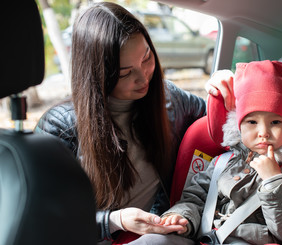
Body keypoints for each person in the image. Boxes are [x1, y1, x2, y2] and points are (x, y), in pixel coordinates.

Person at [34, 2, 233, 243]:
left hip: (159, 231)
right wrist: (115, 220)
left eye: (147, 57)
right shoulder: (60, 127)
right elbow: (48, 219)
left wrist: (221, 88)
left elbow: (223, 126)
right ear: (98, 74)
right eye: (125, 73)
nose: (143, 77)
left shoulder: (170, 99)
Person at [131, 60, 282, 244]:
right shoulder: (221, 162)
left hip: (248, 241)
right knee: (152, 240)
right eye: (252, 122)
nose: (263, 132)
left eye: (276, 122)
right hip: (203, 235)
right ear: (238, 125)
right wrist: (180, 217)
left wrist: (273, 181)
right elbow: (195, 199)